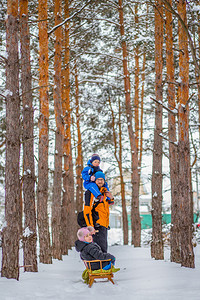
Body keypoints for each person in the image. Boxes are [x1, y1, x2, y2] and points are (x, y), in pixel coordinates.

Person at [83, 171, 114, 253]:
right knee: (98, 251)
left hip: (104, 226)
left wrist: (110, 198)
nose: (100, 181)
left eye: (102, 179)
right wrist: (90, 227)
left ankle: (104, 265)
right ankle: (100, 265)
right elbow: (87, 211)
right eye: (98, 179)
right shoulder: (90, 193)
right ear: (94, 180)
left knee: (103, 250)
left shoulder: (104, 192)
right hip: (96, 226)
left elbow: (104, 209)